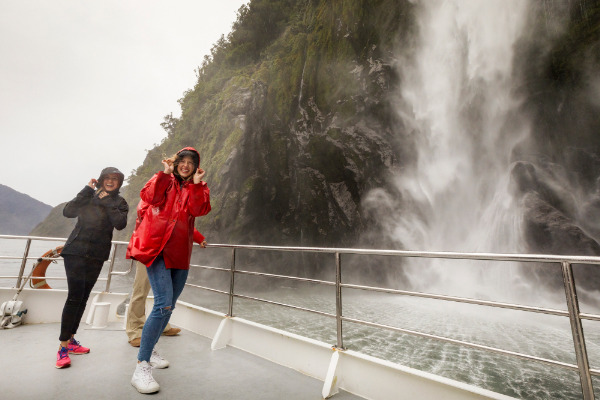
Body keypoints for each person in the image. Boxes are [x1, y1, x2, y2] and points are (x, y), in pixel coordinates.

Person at [126, 147, 211, 394]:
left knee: (168, 306)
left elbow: (199, 210)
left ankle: (150, 349)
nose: (186, 165)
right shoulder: (163, 180)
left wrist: (197, 185)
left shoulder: (197, 187)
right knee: (163, 304)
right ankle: (141, 366)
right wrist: (164, 174)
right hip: (158, 250)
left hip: (181, 253)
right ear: (175, 163)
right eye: (182, 161)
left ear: (196, 167)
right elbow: (149, 197)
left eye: (191, 163)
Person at [56, 167, 129, 369]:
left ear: (119, 183)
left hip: (97, 255)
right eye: (107, 178)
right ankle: (63, 347)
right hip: (76, 252)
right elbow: (68, 211)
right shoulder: (88, 196)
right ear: (101, 180)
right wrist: (87, 190)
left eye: (115, 179)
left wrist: (107, 202)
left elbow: (120, 224)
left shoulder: (120, 202)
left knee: (83, 297)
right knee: (74, 297)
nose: (111, 181)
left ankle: (71, 340)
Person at [126, 199, 207, 347]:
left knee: (165, 294)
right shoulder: (152, 196)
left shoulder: (174, 197)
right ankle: (135, 331)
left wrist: (198, 238)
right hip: (148, 250)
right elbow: (151, 217)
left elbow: (179, 221)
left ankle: (161, 326)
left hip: (167, 253)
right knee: (140, 291)